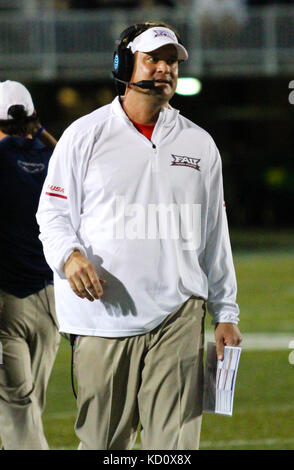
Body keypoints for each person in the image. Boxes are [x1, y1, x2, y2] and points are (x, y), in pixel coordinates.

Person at [36, 21, 242, 450]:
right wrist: (70, 257)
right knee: (102, 445)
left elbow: (214, 236)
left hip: (179, 315)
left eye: (171, 61)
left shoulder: (200, 145)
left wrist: (227, 313)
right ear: (125, 63)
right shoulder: (83, 136)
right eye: (153, 59)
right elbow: (52, 214)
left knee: (174, 449)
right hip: (103, 318)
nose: (165, 69)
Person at [0, 80, 60, 450]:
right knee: (27, 406)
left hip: (7, 305)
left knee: (17, 410)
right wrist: (39, 132)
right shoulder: (54, 158)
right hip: (53, 302)